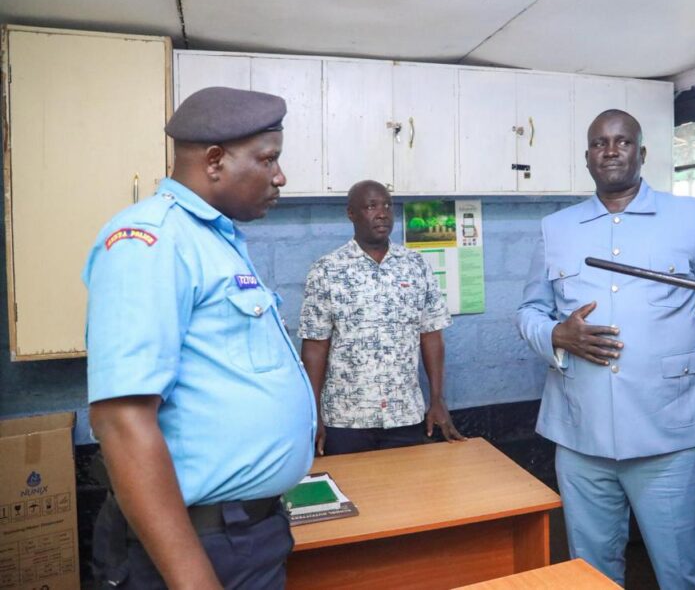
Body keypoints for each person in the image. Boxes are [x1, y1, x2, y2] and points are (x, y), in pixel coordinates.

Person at [84, 86, 316, 589]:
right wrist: (195, 580)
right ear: (214, 161)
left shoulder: (214, 240)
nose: (280, 176)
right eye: (268, 159)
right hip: (194, 547)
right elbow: (122, 419)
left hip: (244, 535)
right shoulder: (149, 241)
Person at [517, 109, 695, 588]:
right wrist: (555, 335)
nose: (610, 150)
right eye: (600, 142)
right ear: (587, 157)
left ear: (641, 153)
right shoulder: (557, 229)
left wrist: (679, 343)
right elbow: (528, 312)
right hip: (581, 436)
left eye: (622, 142)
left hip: (667, 436)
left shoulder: (687, 217)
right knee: (591, 573)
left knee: (681, 573)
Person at [298, 180, 464, 456]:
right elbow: (315, 346)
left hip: (405, 416)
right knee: (352, 496)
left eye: (387, 205)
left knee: (404, 497)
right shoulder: (327, 270)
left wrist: (436, 399)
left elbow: (431, 334)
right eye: (371, 206)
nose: (383, 213)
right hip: (345, 418)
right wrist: (313, 413)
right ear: (351, 213)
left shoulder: (416, 265)